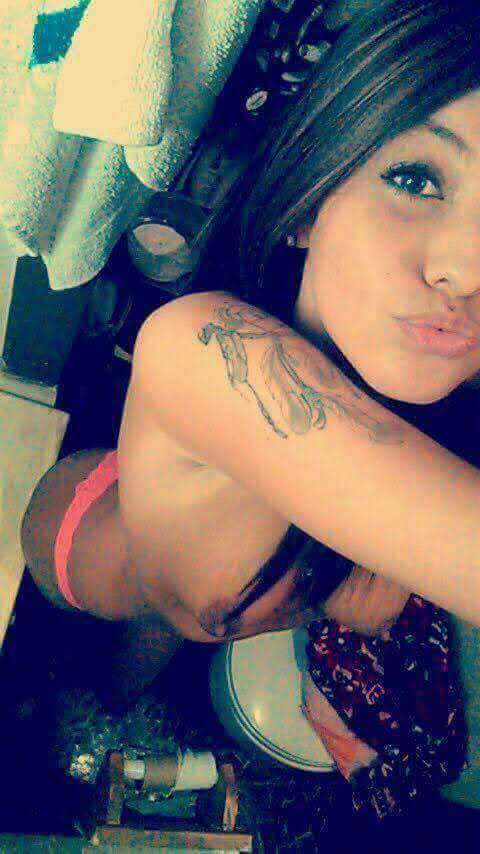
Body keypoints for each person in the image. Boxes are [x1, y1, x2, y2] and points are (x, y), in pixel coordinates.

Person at [20, 0, 480, 708]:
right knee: (104, 682)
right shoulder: (197, 347)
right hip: (81, 536)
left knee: (193, 626)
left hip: (193, 550)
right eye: (416, 179)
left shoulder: (442, 407)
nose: (467, 270)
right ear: (309, 200)